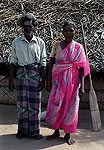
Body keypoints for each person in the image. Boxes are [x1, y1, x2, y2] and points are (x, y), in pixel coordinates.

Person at [45, 21, 90, 145]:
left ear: (75, 32)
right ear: (62, 32)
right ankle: (55, 131)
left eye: (71, 30)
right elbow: (51, 63)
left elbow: (81, 68)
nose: (69, 33)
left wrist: (82, 87)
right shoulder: (57, 45)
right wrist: (48, 81)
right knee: (55, 106)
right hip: (57, 82)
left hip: (73, 83)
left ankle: (68, 134)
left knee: (71, 108)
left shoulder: (78, 47)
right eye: (66, 30)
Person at [9, 13, 46, 140]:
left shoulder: (40, 42)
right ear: (22, 27)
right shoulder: (16, 42)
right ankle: (22, 131)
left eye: (30, 26)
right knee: (22, 105)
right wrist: (11, 79)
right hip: (20, 74)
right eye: (25, 27)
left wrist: (43, 80)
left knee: (35, 105)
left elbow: (43, 62)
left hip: (35, 75)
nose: (28, 29)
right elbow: (13, 61)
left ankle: (35, 132)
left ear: (34, 27)